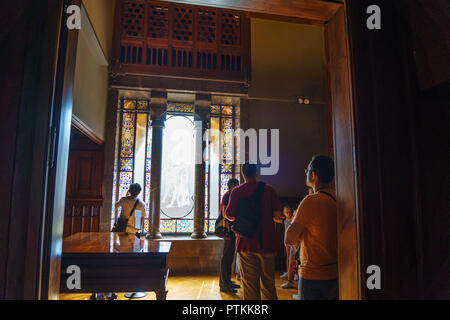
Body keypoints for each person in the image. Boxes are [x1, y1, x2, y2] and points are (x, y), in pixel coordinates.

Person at [224, 163, 283, 300]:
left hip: (246, 243)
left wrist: (241, 217)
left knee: (250, 286)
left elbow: (229, 215)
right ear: (256, 173)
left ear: (243, 174)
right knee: (268, 284)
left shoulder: (237, 191)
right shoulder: (268, 190)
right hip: (266, 242)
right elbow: (278, 214)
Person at [285, 155, 338, 300]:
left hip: (313, 275)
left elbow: (289, 238)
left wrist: (300, 234)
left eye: (307, 170)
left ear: (314, 175)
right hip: (335, 272)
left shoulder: (311, 201)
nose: (306, 173)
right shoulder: (337, 198)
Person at [219, 178, 241, 293]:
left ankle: (227, 281)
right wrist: (237, 219)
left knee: (229, 257)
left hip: (231, 231)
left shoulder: (230, 195)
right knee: (226, 258)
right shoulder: (228, 196)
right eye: (237, 185)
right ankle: (224, 285)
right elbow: (224, 214)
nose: (238, 187)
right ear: (232, 186)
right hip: (228, 231)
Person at [277, 205, 299, 289]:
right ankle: (288, 272)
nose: (288, 213)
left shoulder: (293, 220)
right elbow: (278, 220)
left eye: (289, 212)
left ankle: (294, 276)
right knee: (288, 258)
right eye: (286, 212)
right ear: (284, 213)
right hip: (287, 242)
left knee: (293, 260)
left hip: (293, 242)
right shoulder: (285, 220)